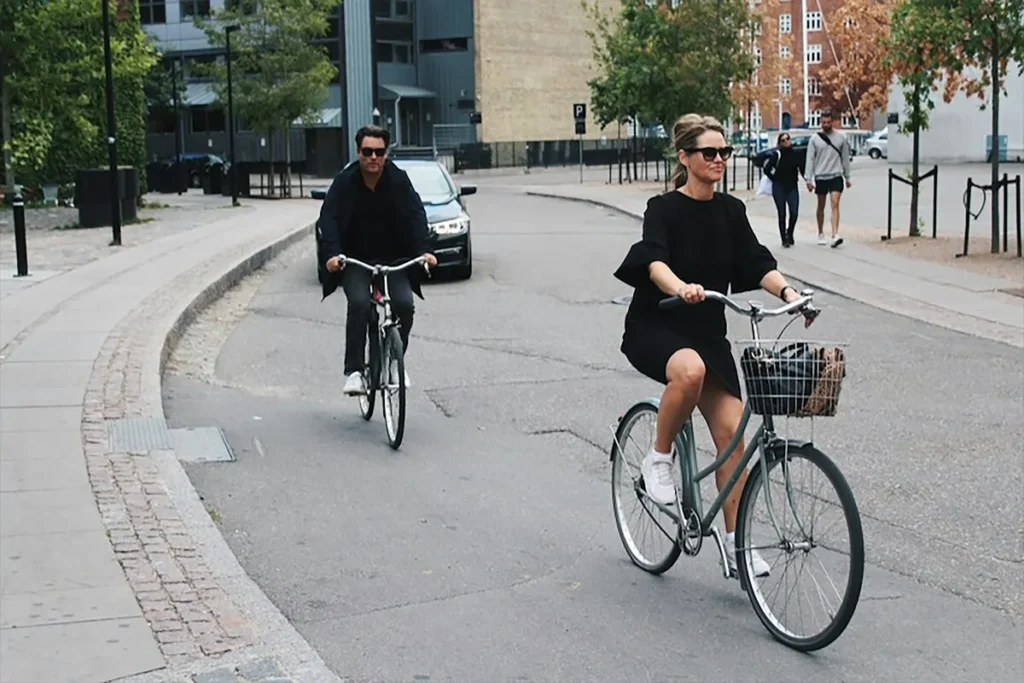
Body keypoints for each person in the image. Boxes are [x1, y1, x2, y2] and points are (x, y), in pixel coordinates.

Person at [613, 113, 811, 579]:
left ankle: (735, 544)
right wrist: (679, 286)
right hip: (657, 325)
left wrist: (789, 294)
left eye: (725, 152)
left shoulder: (731, 211)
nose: (719, 159)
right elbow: (653, 262)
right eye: (710, 153)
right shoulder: (663, 208)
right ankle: (658, 461)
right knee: (689, 371)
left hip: (707, 333)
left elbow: (756, 261)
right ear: (685, 157)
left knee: (733, 438)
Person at [317, 125, 438, 395]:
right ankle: (355, 371)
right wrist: (333, 255)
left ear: (386, 153)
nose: (373, 157)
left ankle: (395, 361)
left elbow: (415, 214)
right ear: (358, 152)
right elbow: (330, 219)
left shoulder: (398, 180)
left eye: (379, 152)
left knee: (405, 305)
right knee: (359, 303)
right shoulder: (344, 182)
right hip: (355, 258)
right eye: (367, 151)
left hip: (394, 257)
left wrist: (424, 251)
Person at [804, 110, 852, 248]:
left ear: (832, 122)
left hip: (836, 175)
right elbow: (810, 159)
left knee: (835, 204)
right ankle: (820, 232)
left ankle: (835, 234)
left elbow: (845, 158)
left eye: (829, 122)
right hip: (821, 176)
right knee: (821, 206)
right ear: (821, 123)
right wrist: (809, 179)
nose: (826, 125)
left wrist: (847, 177)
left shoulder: (840, 138)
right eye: (824, 122)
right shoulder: (814, 139)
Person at [762, 132, 805, 248]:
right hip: (779, 187)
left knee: (794, 212)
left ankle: (790, 232)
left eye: (788, 139)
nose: (786, 141)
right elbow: (766, 169)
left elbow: (802, 169)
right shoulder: (777, 154)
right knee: (782, 213)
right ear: (780, 143)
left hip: (792, 186)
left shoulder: (796, 154)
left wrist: (808, 181)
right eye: (783, 140)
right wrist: (774, 178)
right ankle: (783, 239)